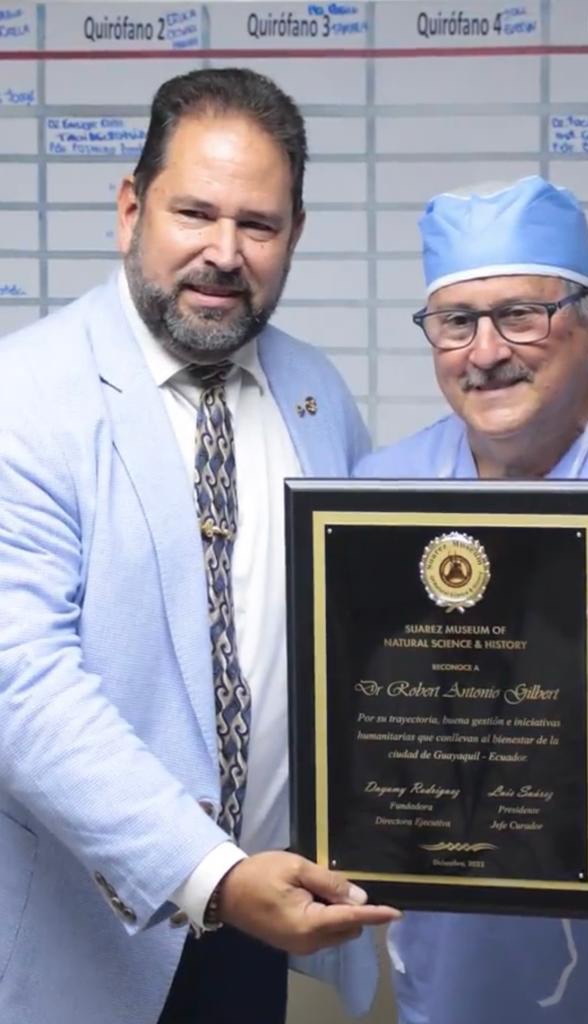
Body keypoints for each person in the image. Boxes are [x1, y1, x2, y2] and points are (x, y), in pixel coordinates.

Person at [0, 67, 398, 1024]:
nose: (225, 252)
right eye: (195, 213)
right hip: (88, 930)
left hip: (266, 915)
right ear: (130, 209)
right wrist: (211, 873)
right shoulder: (24, 396)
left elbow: (363, 633)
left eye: (258, 224)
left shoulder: (316, 393)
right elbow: (20, 684)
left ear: (294, 234)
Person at [356, 175, 588, 1023]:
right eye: (455, 322)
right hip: (454, 982)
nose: (485, 351)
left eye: (520, 315)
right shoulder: (378, 495)